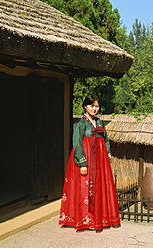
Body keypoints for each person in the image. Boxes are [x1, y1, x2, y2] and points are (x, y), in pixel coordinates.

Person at [59, 94, 120, 232]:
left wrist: (108, 154)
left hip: (100, 159)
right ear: (85, 106)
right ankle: (86, 220)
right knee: (84, 188)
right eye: (92, 106)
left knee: (100, 186)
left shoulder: (100, 123)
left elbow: (105, 140)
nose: (94, 109)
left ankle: (100, 218)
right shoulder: (80, 124)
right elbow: (77, 144)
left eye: (97, 106)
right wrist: (82, 163)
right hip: (86, 158)